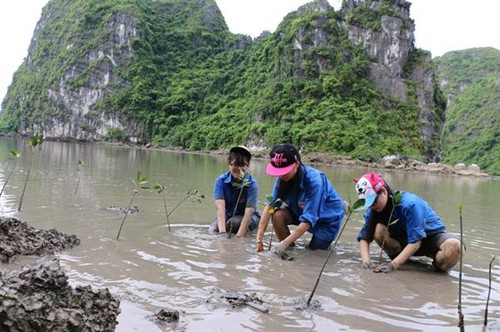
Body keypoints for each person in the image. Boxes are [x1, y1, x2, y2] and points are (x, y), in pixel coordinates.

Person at [354, 172, 464, 273]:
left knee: (454, 247)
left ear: (383, 191)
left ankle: (436, 269)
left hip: (429, 239)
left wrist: (393, 265)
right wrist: (366, 262)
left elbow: (416, 242)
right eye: (367, 204)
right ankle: (404, 263)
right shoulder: (373, 210)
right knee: (378, 229)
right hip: (402, 241)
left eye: (373, 202)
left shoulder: (410, 204)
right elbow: (365, 237)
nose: (371, 206)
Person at [255, 143, 345, 258]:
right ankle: (289, 251)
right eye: (279, 171)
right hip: (299, 210)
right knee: (277, 215)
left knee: (314, 254)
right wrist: (259, 238)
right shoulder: (282, 178)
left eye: (284, 171)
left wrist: (282, 244)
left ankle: (285, 246)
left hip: (326, 220)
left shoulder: (314, 181)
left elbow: (308, 220)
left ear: (296, 164)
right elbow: (270, 206)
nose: (281, 175)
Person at [209, 146, 260, 237]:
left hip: (249, 217)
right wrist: (222, 235)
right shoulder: (221, 181)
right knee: (213, 228)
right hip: (228, 215)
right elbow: (220, 208)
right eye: (236, 164)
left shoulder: (251, 184)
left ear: (247, 166)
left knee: (233, 223)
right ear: (229, 164)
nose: (239, 169)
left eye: (243, 165)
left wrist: (239, 239)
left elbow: (248, 213)